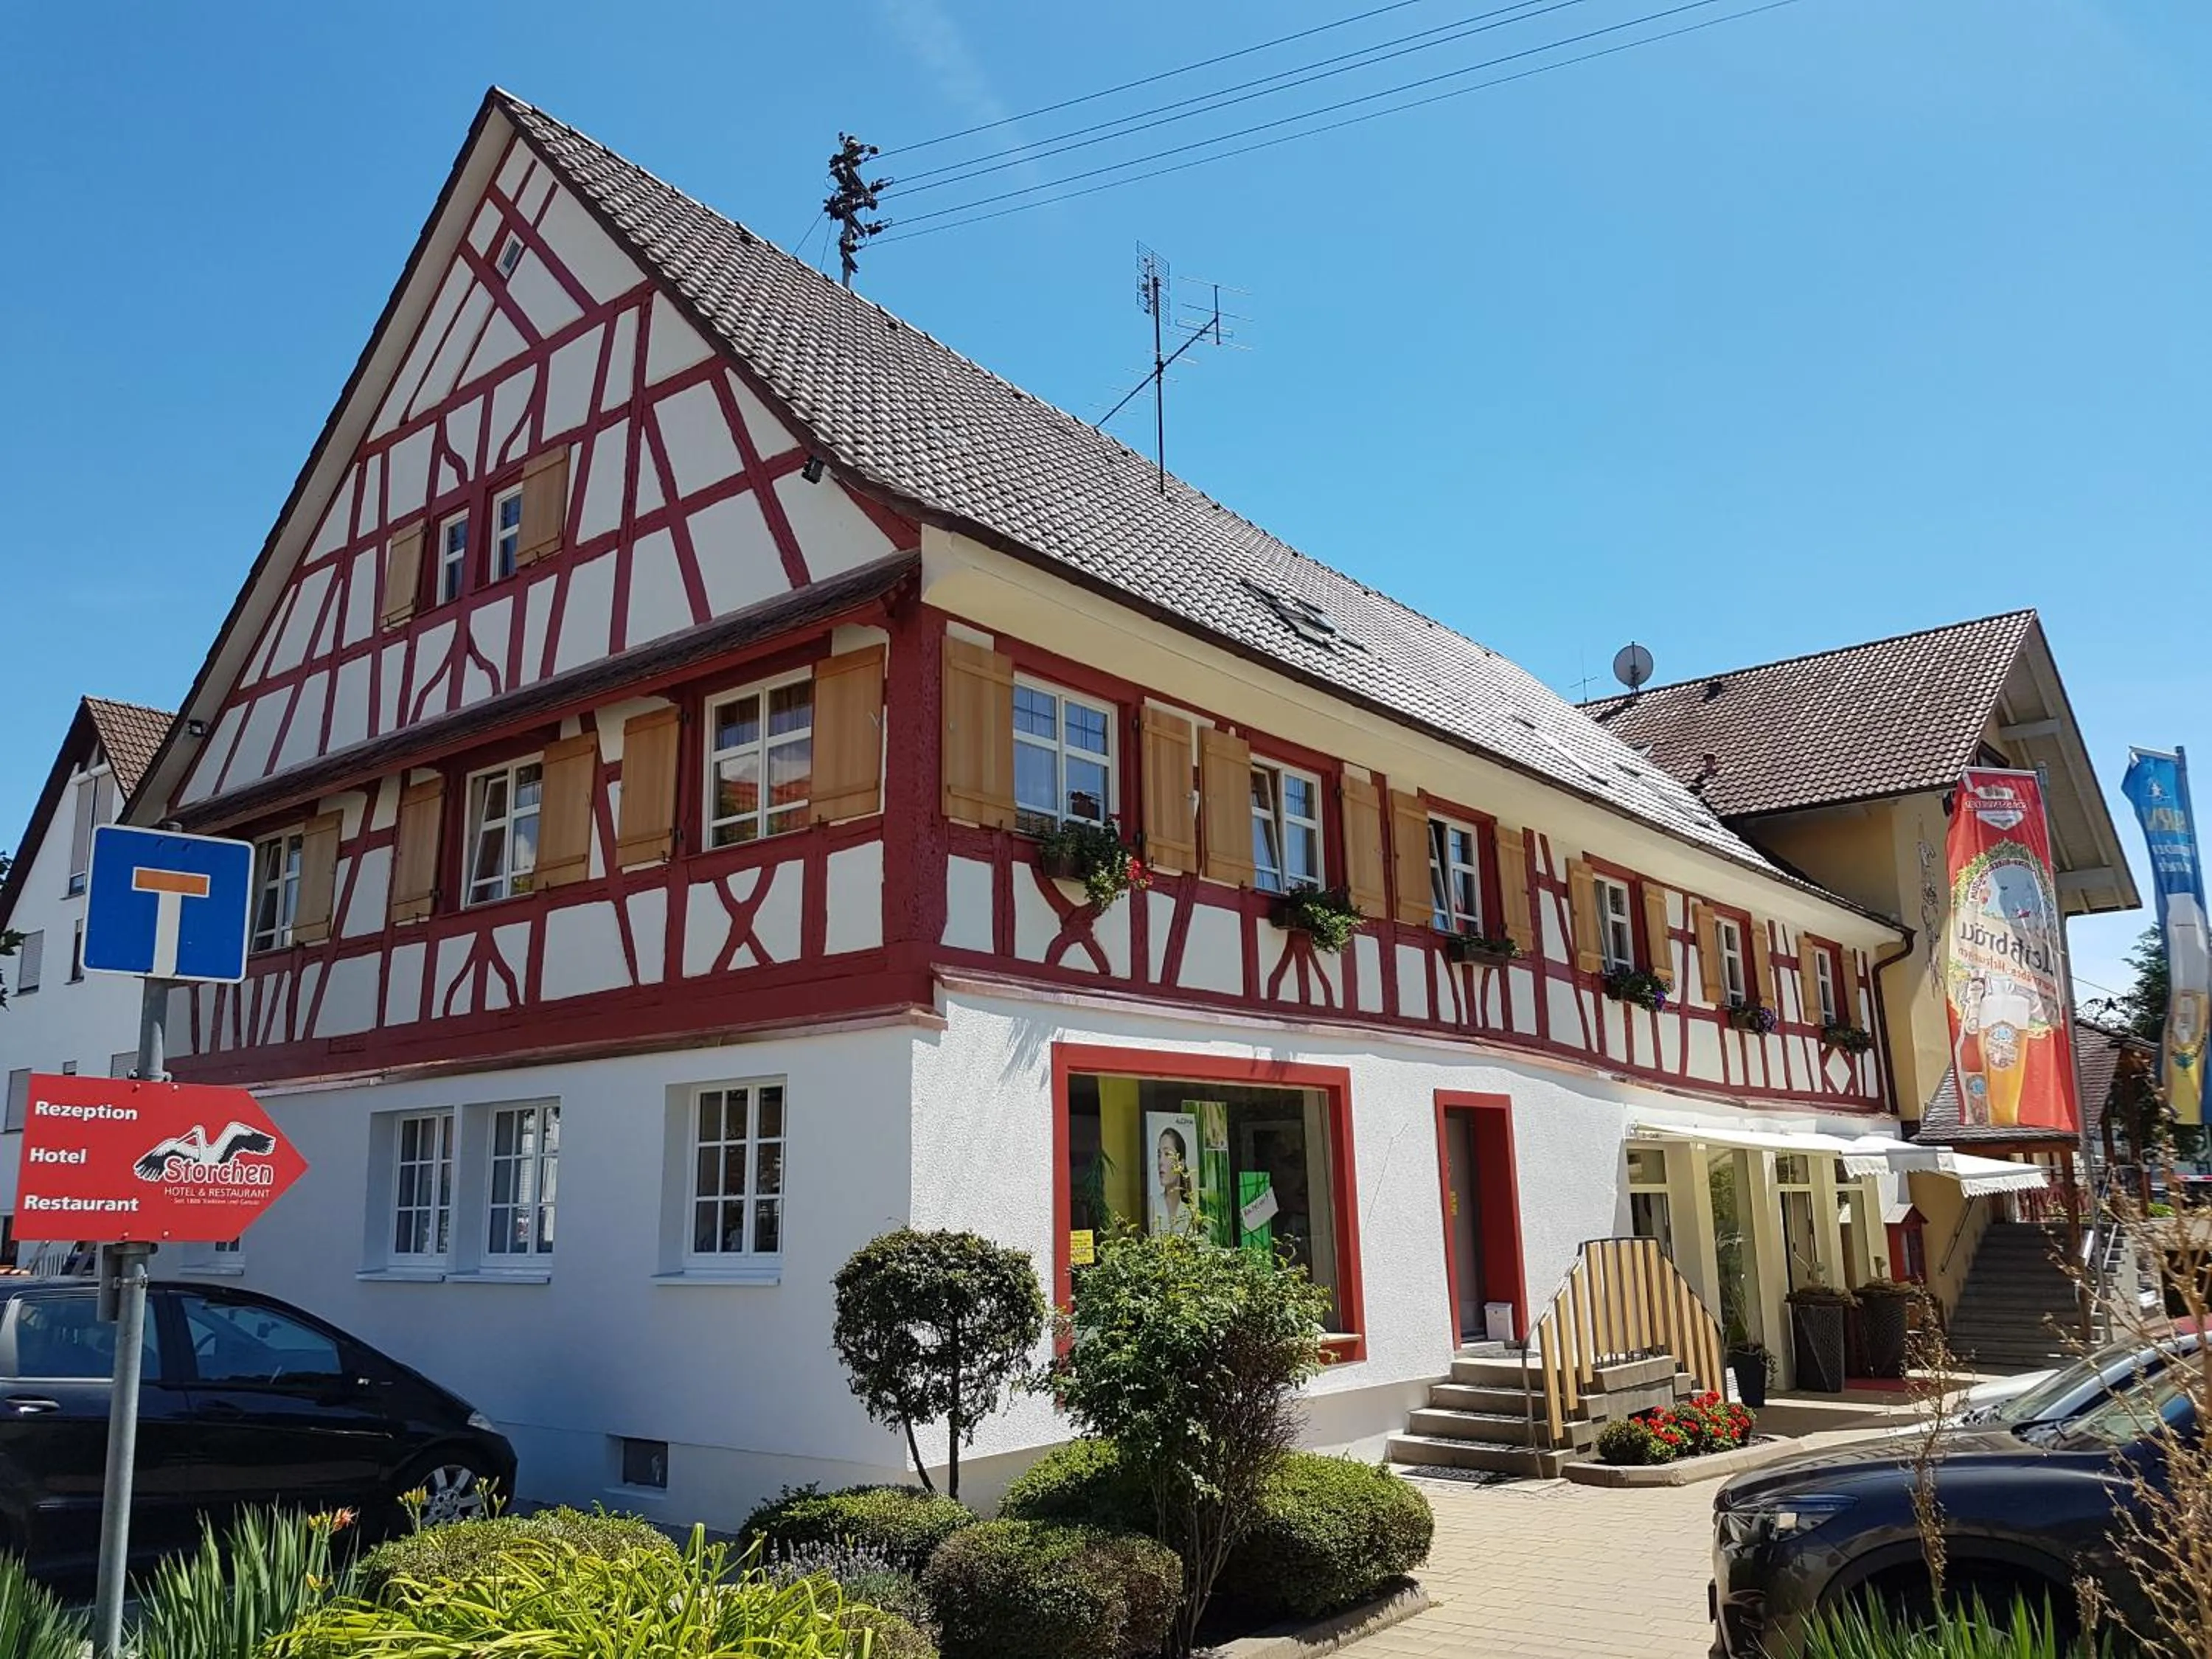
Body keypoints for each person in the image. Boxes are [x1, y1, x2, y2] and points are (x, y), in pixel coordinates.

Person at [1153, 1126, 1195, 1235]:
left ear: (1181, 1164)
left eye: (1167, 1154)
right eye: (1159, 1155)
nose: (1161, 1162)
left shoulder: (1190, 1210)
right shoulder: (1154, 1205)